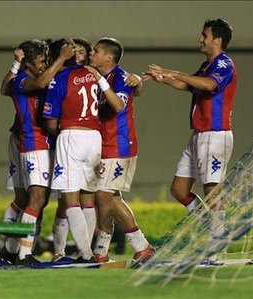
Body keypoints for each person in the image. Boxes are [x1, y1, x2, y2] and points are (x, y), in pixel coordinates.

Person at [143, 19, 237, 234]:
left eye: (205, 35)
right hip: (199, 135)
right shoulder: (207, 65)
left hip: (215, 134)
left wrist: (173, 73)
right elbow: (189, 84)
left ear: (218, 40)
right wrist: (163, 77)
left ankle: (216, 243)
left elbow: (209, 84)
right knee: (179, 189)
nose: (200, 39)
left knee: (212, 190)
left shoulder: (223, 64)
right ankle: (214, 229)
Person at [0, 39, 75, 266]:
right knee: (35, 199)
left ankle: (12, 249)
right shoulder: (22, 80)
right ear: (28, 63)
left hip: (43, 144)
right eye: (41, 61)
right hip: (33, 144)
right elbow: (38, 83)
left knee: (37, 201)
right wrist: (61, 59)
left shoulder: (30, 76)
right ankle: (22, 253)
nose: (44, 65)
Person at [86, 37, 155, 264]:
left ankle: (117, 249)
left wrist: (102, 81)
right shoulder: (103, 77)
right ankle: (124, 249)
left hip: (119, 145)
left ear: (108, 57)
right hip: (104, 145)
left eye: (95, 51)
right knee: (109, 198)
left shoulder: (120, 78)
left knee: (104, 196)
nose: (91, 54)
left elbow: (118, 105)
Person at [43, 39, 104, 263]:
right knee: (88, 199)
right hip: (95, 137)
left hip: (72, 136)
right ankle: (86, 252)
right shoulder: (97, 75)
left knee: (69, 200)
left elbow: (50, 121)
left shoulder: (59, 78)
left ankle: (86, 255)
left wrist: (56, 130)